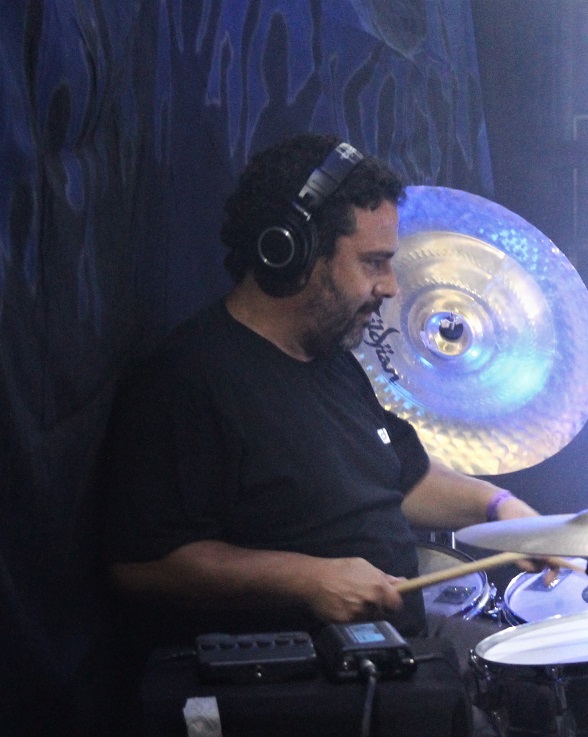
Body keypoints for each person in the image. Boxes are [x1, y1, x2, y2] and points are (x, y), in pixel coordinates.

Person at [99, 133, 539, 728]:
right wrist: (309, 579)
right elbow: (141, 565)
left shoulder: (331, 360)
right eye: (373, 262)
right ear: (291, 251)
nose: (391, 286)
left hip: (398, 639)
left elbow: (404, 477)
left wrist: (502, 509)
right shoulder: (188, 380)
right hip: (312, 678)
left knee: (548, 676)